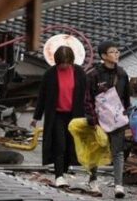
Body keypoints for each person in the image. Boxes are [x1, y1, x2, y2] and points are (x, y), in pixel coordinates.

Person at [31, 46, 88, 188]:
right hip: (56, 115)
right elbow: (42, 96)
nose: (64, 65)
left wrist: (90, 114)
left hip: (75, 115)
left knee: (71, 145)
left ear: (72, 61)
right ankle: (59, 175)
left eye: (67, 63)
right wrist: (36, 117)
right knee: (59, 145)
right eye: (61, 63)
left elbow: (87, 95)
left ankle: (65, 170)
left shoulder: (79, 73)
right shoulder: (50, 74)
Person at [84, 40, 131, 198]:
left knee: (118, 152)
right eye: (112, 52)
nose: (116, 54)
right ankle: (93, 180)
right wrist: (92, 118)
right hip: (98, 120)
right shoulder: (93, 75)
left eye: (117, 51)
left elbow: (126, 98)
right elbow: (87, 98)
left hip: (117, 119)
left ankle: (118, 184)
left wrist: (126, 115)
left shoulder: (122, 74)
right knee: (96, 150)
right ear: (103, 56)